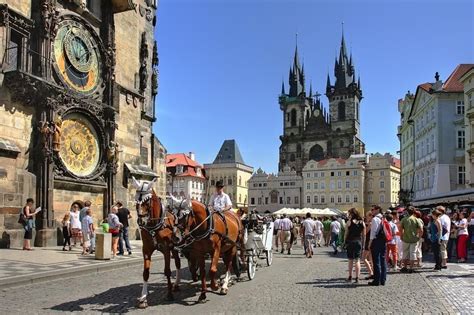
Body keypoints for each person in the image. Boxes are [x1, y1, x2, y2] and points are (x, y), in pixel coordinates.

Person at [344, 208, 365, 283]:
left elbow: (346, 233)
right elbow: (364, 235)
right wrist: (363, 244)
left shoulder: (349, 222)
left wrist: (344, 241)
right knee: (357, 260)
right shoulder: (362, 222)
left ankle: (350, 276)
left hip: (350, 241)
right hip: (358, 241)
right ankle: (357, 277)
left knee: (350, 260)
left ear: (351, 214)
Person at [400, 207, 423, 273]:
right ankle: (411, 268)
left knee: (405, 253)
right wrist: (419, 237)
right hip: (414, 239)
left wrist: (401, 236)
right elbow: (421, 229)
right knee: (413, 253)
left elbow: (401, 229)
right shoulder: (416, 219)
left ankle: (404, 267)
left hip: (405, 238)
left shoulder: (404, 219)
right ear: (413, 212)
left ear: (407, 212)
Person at [368, 205, 387, 286]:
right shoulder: (383, 218)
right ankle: (383, 279)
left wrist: (369, 243)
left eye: (373, 209)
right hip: (383, 240)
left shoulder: (375, 219)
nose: (372, 211)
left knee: (376, 261)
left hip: (376, 241)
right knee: (383, 260)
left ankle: (377, 280)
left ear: (377, 210)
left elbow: (373, 233)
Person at [363, 212, 374, 280]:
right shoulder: (373, 223)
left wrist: (364, 227)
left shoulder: (370, 224)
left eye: (367, 216)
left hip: (368, 242)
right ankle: (373, 272)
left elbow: (365, 232)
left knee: (364, 258)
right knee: (371, 259)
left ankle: (371, 272)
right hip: (371, 242)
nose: (366, 217)